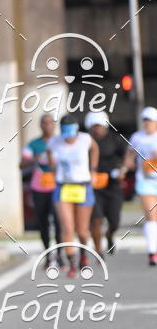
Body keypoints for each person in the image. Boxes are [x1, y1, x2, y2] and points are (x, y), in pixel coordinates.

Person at [47, 114, 99, 278]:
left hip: (82, 186)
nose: (69, 139)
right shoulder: (55, 142)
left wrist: (93, 170)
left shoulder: (85, 139)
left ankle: (84, 254)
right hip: (63, 187)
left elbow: (95, 149)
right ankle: (72, 262)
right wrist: (53, 169)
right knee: (67, 228)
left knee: (82, 230)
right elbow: (49, 152)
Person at [21, 114, 64, 268]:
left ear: (54, 125)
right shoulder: (34, 144)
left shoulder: (60, 142)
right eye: (44, 123)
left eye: (50, 123)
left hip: (57, 187)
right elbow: (21, 164)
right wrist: (34, 159)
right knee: (43, 222)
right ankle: (48, 255)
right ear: (40, 125)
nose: (47, 126)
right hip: (39, 188)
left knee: (59, 222)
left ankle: (60, 255)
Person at [85, 111, 126, 256]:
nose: (97, 129)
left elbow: (128, 156)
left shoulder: (115, 139)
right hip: (93, 186)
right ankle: (98, 250)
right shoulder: (85, 141)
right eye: (94, 126)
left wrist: (123, 169)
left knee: (114, 221)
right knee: (96, 219)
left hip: (112, 185)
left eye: (99, 126)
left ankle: (109, 235)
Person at [124, 106, 157, 266]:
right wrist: (125, 167)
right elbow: (129, 157)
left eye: (150, 121)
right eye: (145, 121)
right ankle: (152, 252)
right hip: (145, 182)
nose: (147, 124)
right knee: (152, 215)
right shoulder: (137, 137)